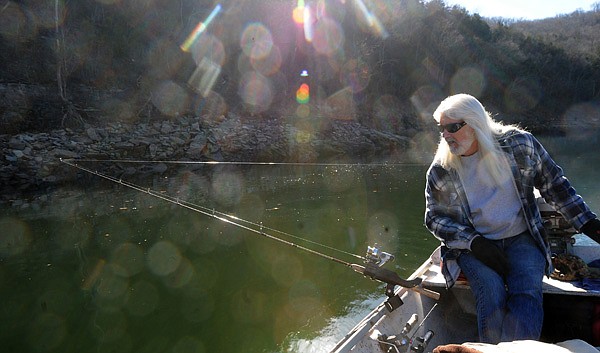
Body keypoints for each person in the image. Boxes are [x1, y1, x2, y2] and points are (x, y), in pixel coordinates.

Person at [424, 93, 600, 343]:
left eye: (453, 127)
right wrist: (474, 242)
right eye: (442, 129)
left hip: (521, 237)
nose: (446, 135)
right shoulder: (442, 170)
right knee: (491, 291)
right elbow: (435, 218)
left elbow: (555, 185)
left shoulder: (520, 146)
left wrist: (588, 223)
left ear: (475, 124)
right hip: (474, 246)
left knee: (527, 289)